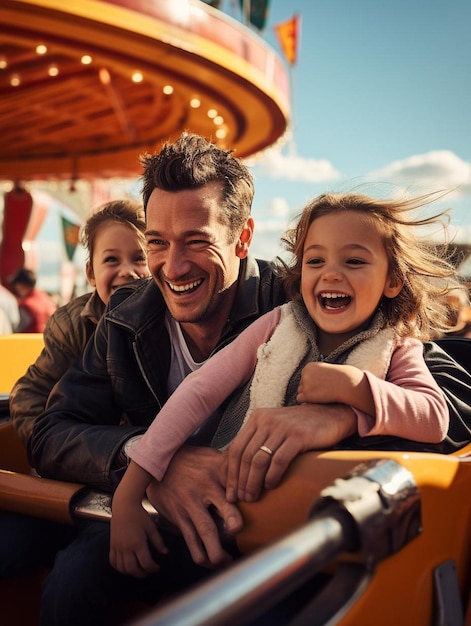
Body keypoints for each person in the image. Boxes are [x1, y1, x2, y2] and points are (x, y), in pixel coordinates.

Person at [29, 133, 471, 625]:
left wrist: (337, 417)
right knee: (71, 581)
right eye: (157, 242)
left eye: (197, 242)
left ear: (242, 237)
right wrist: (158, 469)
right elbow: (52, 432)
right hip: (161, 520)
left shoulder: (303, 301)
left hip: (269, 529)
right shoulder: (125, 318)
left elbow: (454, 405)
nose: (173, 267)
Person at [109, 190, 461, 574]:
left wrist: (356, 394)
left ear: (392, 280)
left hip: (320, 534)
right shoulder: (278, 324)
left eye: (355, 260)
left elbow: (433, 416)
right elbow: (198, 391)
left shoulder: (396, 344)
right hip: (230, 513)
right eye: (315, 260)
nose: (331, 273)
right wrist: (129, 495)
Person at [2, 199, 149, 581]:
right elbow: (30, 395)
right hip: (71, 476)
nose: (127, 272)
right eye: (111, 260)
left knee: (74, 577)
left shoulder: (171, 322)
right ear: (90, 271)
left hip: (131, 482)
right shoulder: (72, 323)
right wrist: (59, 453)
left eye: (139, 258)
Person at [9, 267, 57, 332]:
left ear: (21, 284)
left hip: (32, 341)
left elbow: (17, 328)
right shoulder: (46, 299)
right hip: (48, 339)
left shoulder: (27, 305)